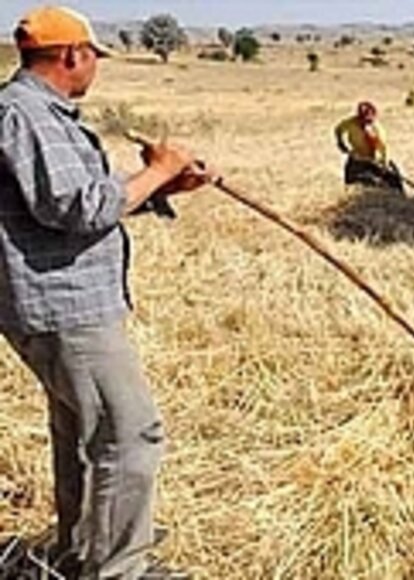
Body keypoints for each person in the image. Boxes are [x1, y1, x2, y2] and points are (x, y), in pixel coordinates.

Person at [0, 6, 209, 579]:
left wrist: (164, 184)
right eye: (93, 56)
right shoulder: (27, 115)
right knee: (129, 432)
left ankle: (82, 553)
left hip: (61, 302)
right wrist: (159, 169)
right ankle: (120, 569)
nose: (94, 68)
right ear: (72, 55)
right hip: (64, 306)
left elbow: (77, 203)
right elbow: (79, 207)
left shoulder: (38, 114)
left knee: (83, 435)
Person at [334, 101, 404, 193]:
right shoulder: (351, 123)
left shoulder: (377, 130)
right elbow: (338, 129)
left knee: (394, 182)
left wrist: (384, 164)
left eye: (369, 120)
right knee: (351, 183)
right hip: (357, 159)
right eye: (364, 119)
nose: (366, 123)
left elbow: (384, 149)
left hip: (375, 160)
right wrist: (341, 142)